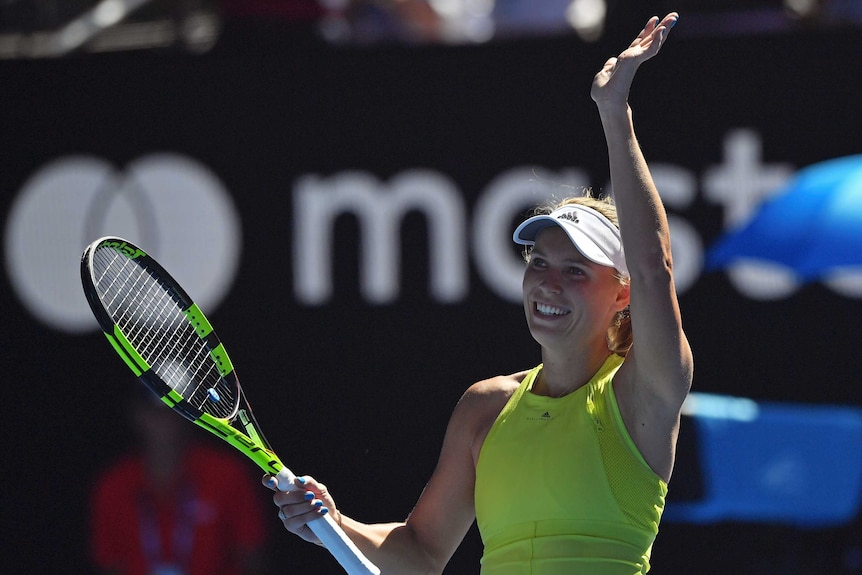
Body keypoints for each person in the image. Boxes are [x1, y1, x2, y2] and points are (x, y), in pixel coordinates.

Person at [266, 12, 693, 574]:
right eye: (539, 262)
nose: (548, 282)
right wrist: (333, 524)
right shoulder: (484, 409)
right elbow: (419, 552)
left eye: (576, 270)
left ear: (622, 295)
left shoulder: (646, 392)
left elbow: (654, 266)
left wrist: (616, 116)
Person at [90, 389, 271, 575]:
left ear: (188, 415)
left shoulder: (227, 475)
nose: (164, 422)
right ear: (137, 414)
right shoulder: (112, 486)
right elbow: (109, 564)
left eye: (173, 411)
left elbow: (251, 556)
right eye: (154, 411)